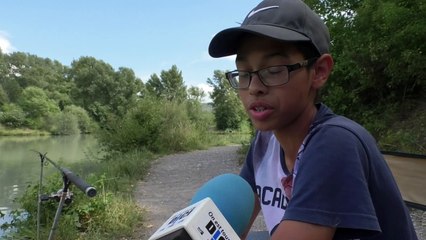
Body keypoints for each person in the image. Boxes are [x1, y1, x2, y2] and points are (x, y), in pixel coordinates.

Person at [208, 0, 418, 239]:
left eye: (274, 70)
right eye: (244, 73)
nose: (254, 87)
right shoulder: (265, 142)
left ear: (319, 71)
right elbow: (232, 227)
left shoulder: (336, 142)